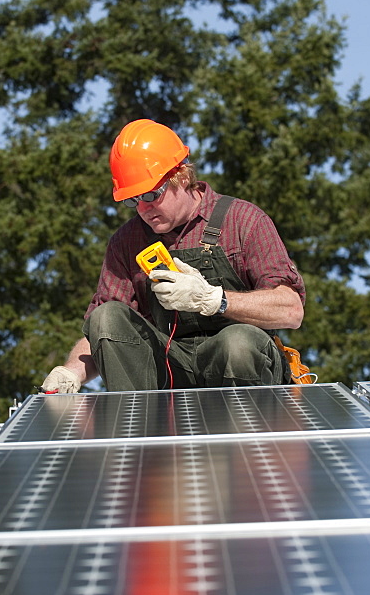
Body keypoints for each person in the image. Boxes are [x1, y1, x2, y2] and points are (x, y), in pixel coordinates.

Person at [41, 119, 305, 393]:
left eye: (151, 194)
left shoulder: (242, 220)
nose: (143, 208)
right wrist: (71, 372)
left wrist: (214, 299)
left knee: (236, 343)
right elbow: (107, 333)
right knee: (106, 316)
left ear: (181, 176)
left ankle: (240, 435)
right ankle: (140, 428)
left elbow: (291, 310)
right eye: (132, 200)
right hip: (168, 373)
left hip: (240, 371)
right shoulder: (126, 242)